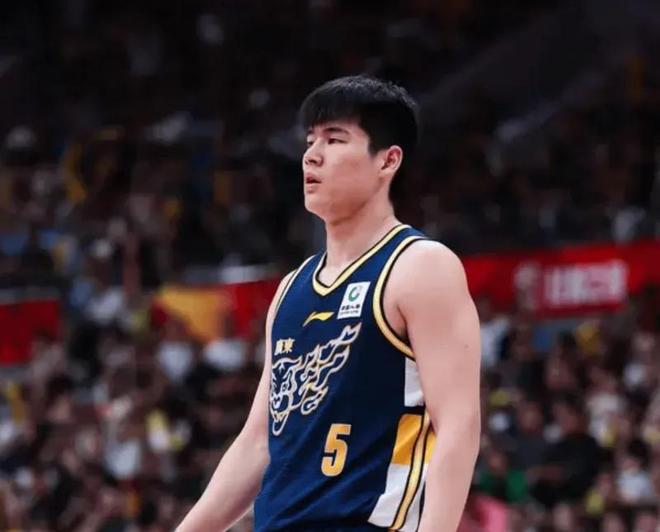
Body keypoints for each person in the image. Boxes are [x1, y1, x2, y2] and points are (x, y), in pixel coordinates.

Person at [176, 75, 481, 532]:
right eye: (310, 141)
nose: (312, 155)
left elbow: (458, 424)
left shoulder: (420, 267)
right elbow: (258, 443)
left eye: (335, 139)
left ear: (388, 160)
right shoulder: (291, 289)